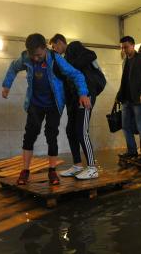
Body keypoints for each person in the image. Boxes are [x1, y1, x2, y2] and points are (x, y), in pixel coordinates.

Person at [2, 33, 90, 185]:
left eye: (38, 55)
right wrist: (6, 85)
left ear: (45, 48)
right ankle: (25, 170)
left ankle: (52, 170)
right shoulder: (26, 58)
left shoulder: (56, 59)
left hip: (54, 105)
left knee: (51, 135)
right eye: (33, 55)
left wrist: (83, 93)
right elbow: (13, 67)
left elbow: (77, 74)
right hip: (35, 104)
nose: (35, 58)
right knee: (30, 134)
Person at [50, 34, 99, 179]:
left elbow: (91, 54)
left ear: (60, 43)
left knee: (82, 131)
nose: (54, 50)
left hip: (86, 95)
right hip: (74, 98)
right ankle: (77, 165)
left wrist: (68, 66)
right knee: (70, 130)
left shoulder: (74, 47)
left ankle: (92, 168)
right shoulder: (64, 59)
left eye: (54, 47)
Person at [116, 36, 141, 164]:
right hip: (126, 99)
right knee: (125, 126)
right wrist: (119, 95)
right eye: (122, 47)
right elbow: (125, 80)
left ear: (133, 45)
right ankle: (132, 151)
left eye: (126, 47)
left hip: (138, 99)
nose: (124, 49)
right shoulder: (126, 60)